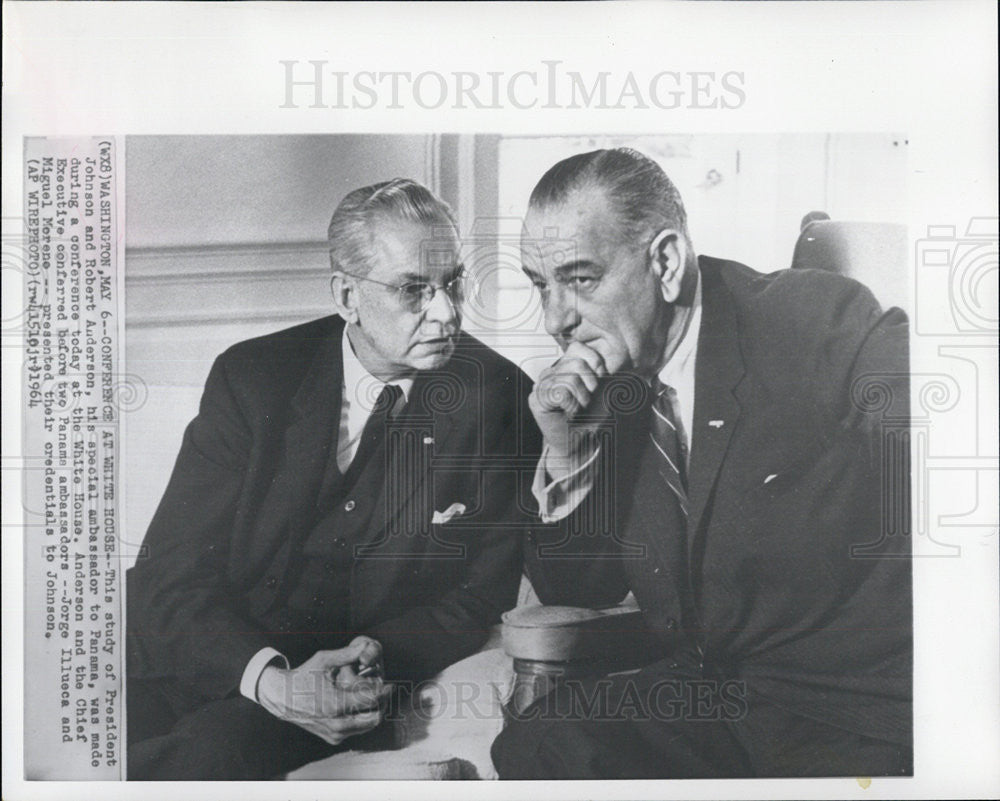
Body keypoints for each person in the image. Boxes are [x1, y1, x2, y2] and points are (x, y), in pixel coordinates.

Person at [491, 148, 912, 778]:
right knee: (539, 741)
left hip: (845, 710)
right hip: (709, 695)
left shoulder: (820, 322)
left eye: (579, 279)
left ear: (664, 261)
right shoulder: (615, 383)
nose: (556, 320)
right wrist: (568, 454)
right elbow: (581, 592)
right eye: (539, 284)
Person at [126, 178, 531, 779]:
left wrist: (363, 666)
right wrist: (266, 676)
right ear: (347, 294)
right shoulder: (253, 377)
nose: (445, 311)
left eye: (453, 284)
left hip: (346, 679)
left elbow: (479, 593)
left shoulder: (498, 397)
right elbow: (170, 572)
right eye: (414, 290)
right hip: (213, 653)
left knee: (203, 760)